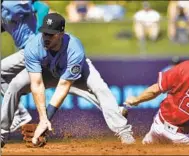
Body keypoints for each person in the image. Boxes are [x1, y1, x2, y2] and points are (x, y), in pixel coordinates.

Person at [1, 13, 135, 148]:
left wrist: (47, 119)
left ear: (61, 33)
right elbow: (37, 84)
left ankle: (124, 132)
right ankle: (2, 134)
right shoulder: (33, 46)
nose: (46, 37)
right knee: (15, 85)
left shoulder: (74, 48)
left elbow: (64, 86)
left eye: (51, 34)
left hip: (77, 73)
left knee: (100, 88)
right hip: (46, 72)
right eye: (44, 33)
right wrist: (43, 119)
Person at [1, 0, 39, 135]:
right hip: (27, 51)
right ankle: (20, 113)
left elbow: (31, 5)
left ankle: (20, 114)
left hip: (33, 49)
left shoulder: (9, 4)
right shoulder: (4, 8)